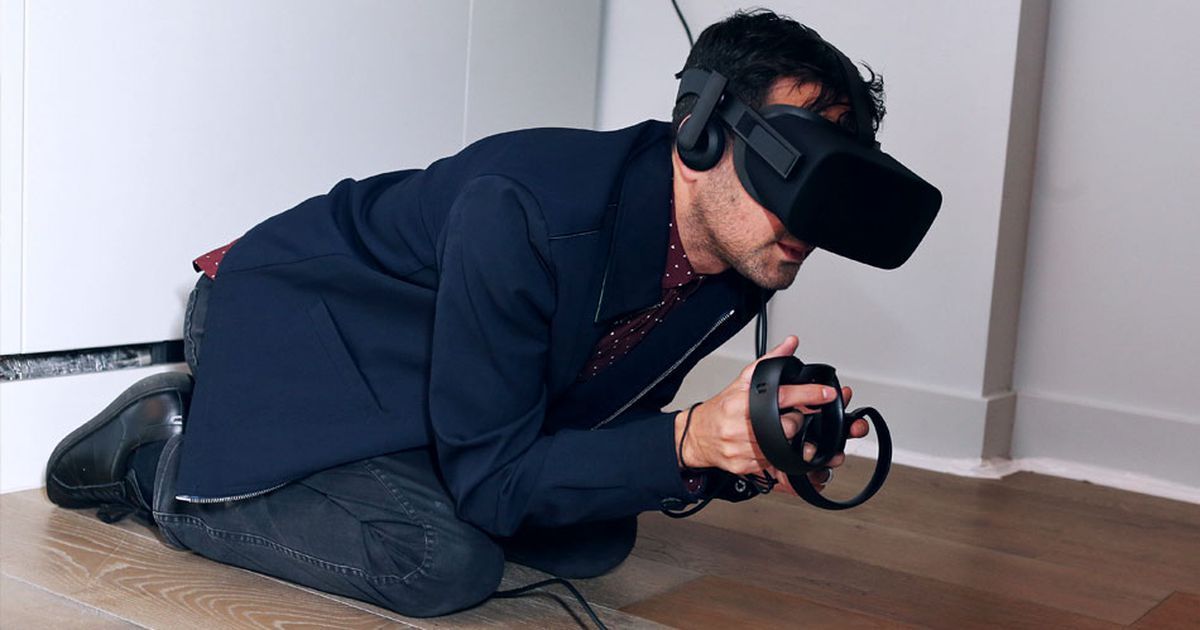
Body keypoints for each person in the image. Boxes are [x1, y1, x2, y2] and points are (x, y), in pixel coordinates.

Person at [45, 9, 880, 618]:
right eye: (789, 166)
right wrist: (684, 441)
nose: (806, 215)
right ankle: (160, 459)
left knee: (598, 538)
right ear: (698, 135)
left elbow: (588, 412)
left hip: (434, 381)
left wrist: (742, 449)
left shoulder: (740, 264)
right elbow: (497, 479)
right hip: (298, 329)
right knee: (441, 564)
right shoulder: (526, 206)